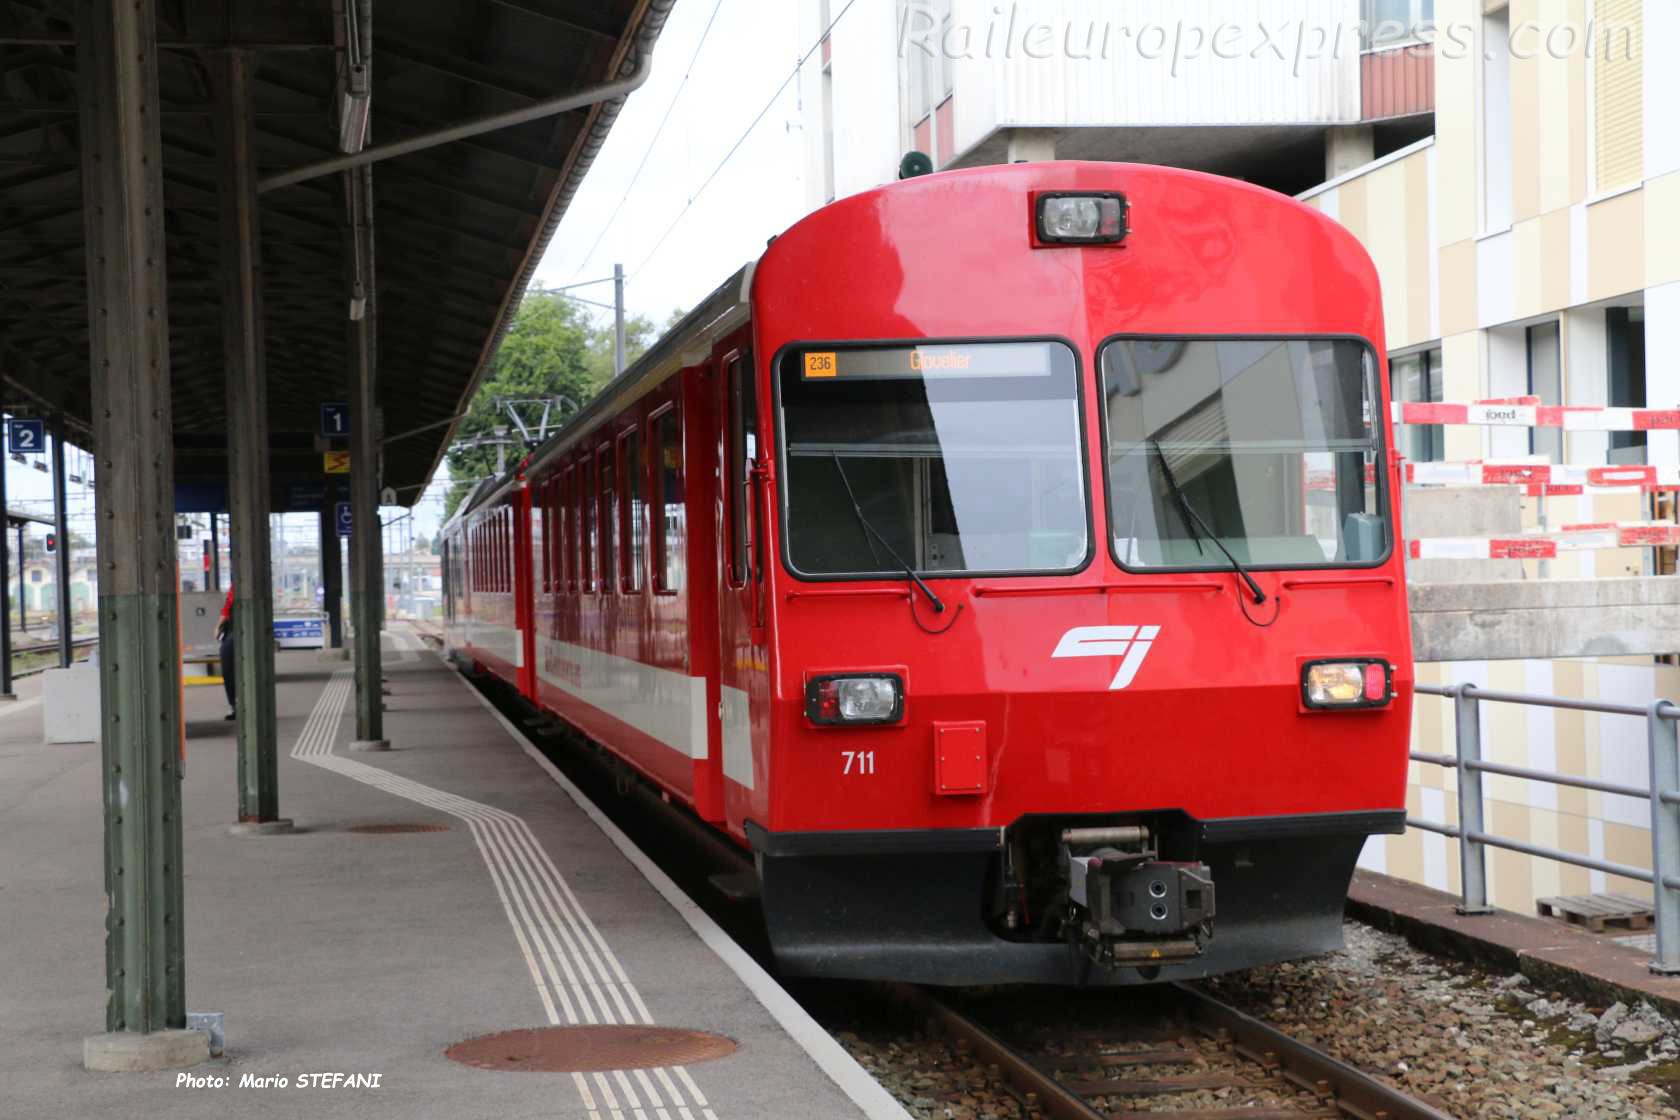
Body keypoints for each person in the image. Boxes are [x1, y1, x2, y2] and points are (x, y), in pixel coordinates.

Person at [217, 585, 236, 721]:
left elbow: (226, 610)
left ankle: (235, 705)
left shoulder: (236, 587)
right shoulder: (235, 586)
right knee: (229, 669)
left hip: (234, 632)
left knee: (228, 669)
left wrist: (218, 627)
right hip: (233, 631)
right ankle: (235, 705)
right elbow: (227, 609)